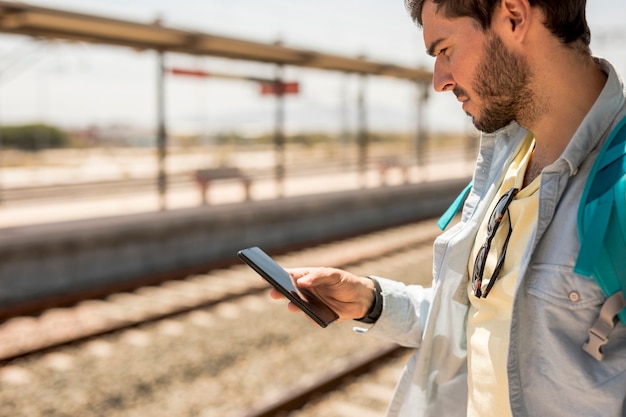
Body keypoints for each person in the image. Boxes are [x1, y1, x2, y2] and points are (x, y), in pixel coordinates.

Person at [271, 0, 626, 416]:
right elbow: (483, 319)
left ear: (514, 16)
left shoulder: (616, 186)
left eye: (445, 50)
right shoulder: (507, 161)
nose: (440, 80)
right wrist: (371, 300)